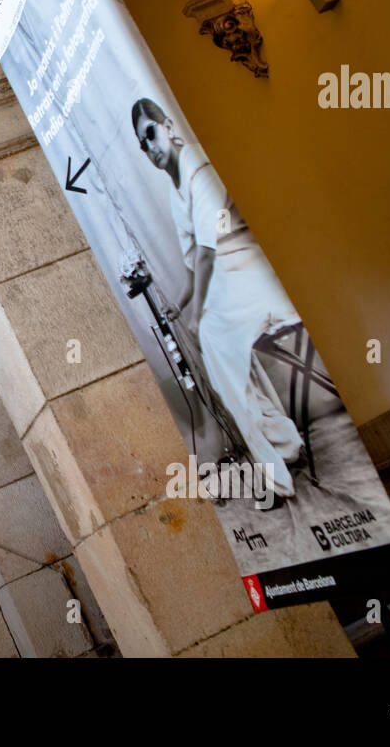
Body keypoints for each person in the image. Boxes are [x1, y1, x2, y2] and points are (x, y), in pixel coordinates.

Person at [131, 97, 304, 498]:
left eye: (151, 134)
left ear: (168, 125)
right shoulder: (175, 191)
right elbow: (194, 266)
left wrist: (197, 316)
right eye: (143, 144)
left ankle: (275, 470)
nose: (150, 147)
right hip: (224, 286)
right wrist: (182, 303)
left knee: (213, 343)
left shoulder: (197, 168)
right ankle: (283, 443)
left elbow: (209, 251)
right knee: (219, 356)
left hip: (248, 271)